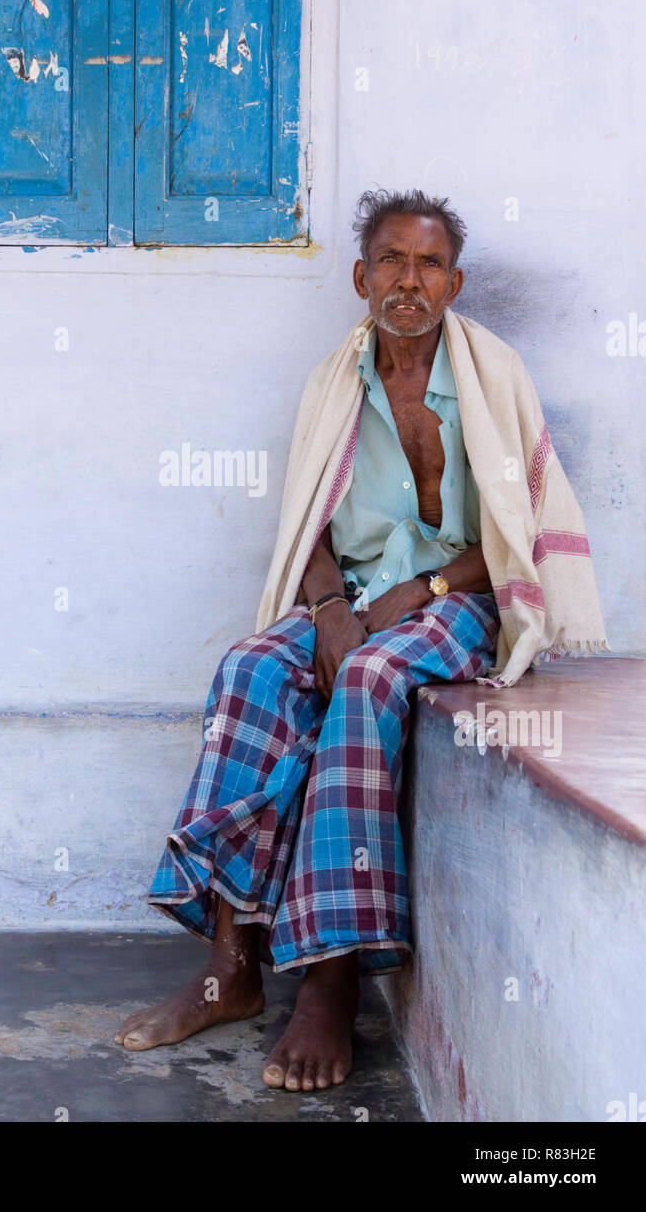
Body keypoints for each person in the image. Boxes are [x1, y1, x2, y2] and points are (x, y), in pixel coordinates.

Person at [114, 188, 609, 1093]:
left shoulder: (493, 377)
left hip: (462, 597)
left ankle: (330, 981)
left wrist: (416, 592)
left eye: (427, 264)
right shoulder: (334, 383)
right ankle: (233, 965)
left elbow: (511, 538)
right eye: (390, 260)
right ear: (360, 277)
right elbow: (308, 525)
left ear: (454, 282)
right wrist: (333, 608)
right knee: (251, 670)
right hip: (360, 594)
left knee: (371, 682)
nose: (408, 281)